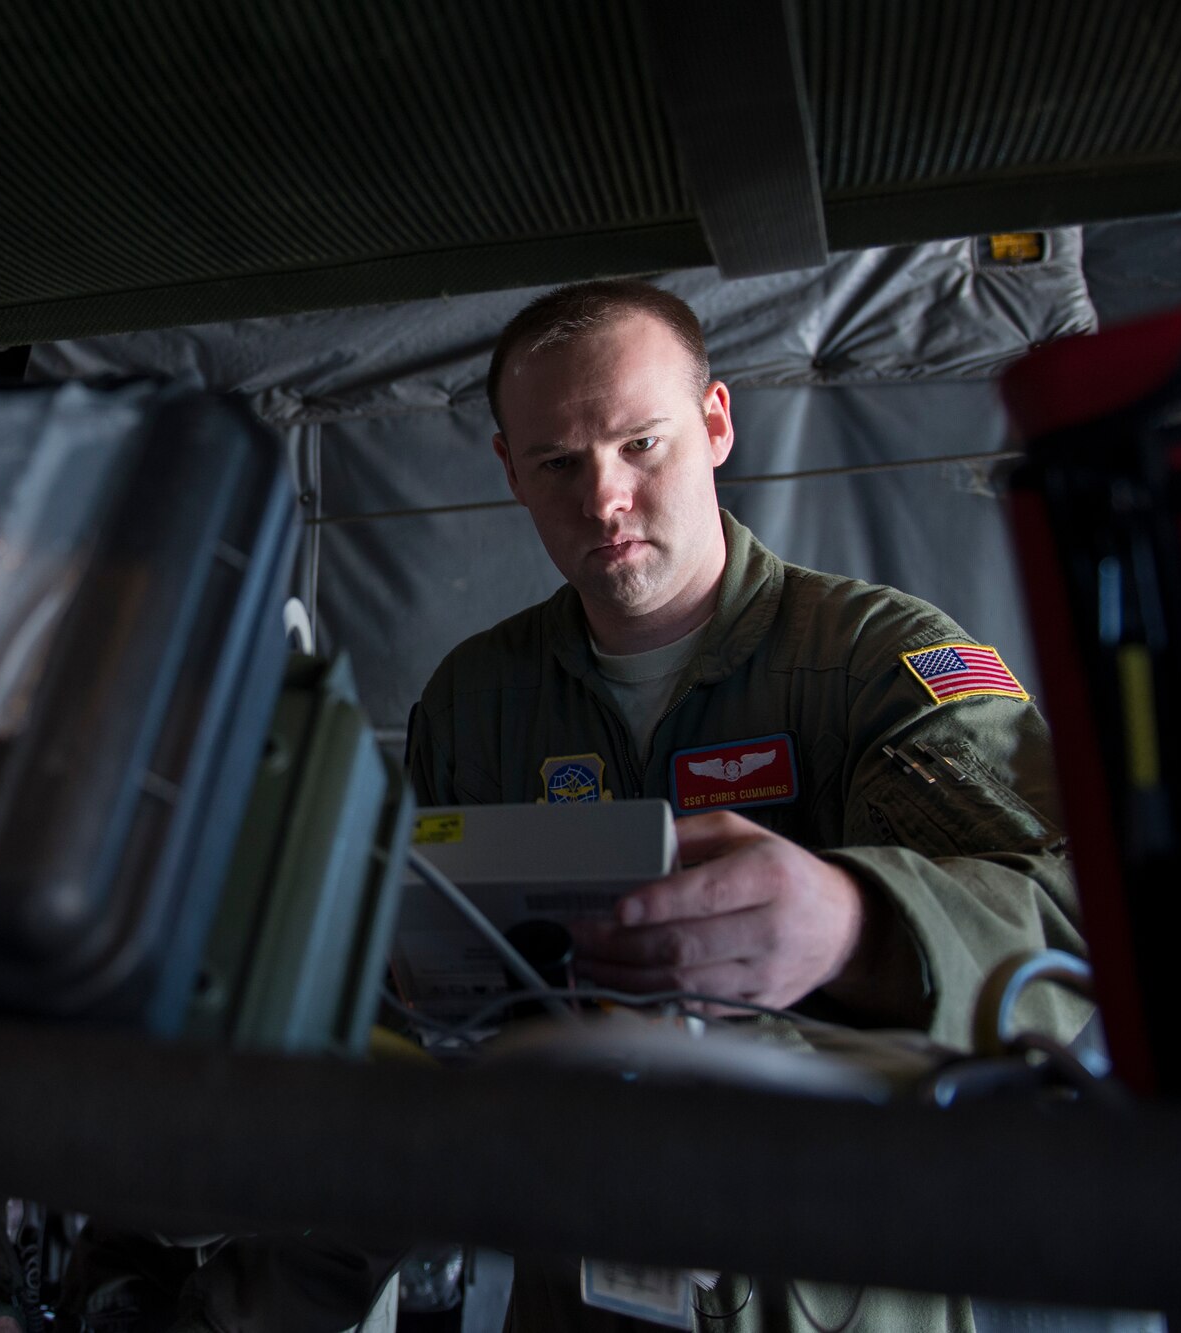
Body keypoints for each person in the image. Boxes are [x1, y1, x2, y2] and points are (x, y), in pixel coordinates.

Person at [405, 278, 1091, 1331]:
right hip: (574, 1274)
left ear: (715, 423)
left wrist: (859, 924)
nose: (602, 500)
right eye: (555, 462)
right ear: (507, 470)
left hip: (834, 1281)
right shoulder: (473, 702)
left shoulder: (879, 661)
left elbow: (1077, 929)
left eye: (641, 443)